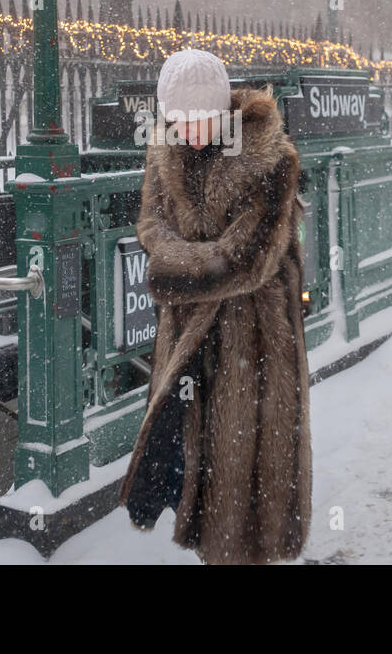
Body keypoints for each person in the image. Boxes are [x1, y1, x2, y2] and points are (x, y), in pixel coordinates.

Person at [118, 48, 312, 564]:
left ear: (222, 110)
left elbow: (247, 260)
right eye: (175, 119)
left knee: (245, 491)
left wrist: (169, 270)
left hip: (255, 342)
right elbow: (150, 225)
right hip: (187, 338)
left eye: (195, 119)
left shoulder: (270, 158)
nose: (186, 130)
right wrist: (187, 263)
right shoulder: (165, 151)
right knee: (196, 476)